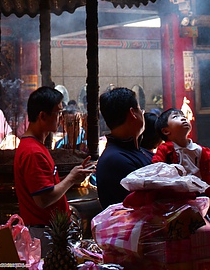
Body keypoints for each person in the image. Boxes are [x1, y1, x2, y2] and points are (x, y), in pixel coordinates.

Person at [14, 86, 95, 256]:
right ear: (43, 116)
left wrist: (73, 176)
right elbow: (43, 199)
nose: (61, 118)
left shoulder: (35, 146)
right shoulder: (33, 152)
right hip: (43, 233)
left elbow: (45, 184)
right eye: (58, 113)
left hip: (47, 230)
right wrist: (71, 179)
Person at [95, 87, 150, 209]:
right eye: (140, 109)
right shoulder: (114, 160)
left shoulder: (138, 152)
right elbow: (147, 205)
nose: (142, 113)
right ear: (133, 113)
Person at [152, 108, 210, 184]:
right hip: (174, 189)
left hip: (200, 188)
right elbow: (156, 168)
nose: (183, 118)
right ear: (166, 131)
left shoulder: (201, 150)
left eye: (184, 116)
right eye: (175, 117)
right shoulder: (165, 149)